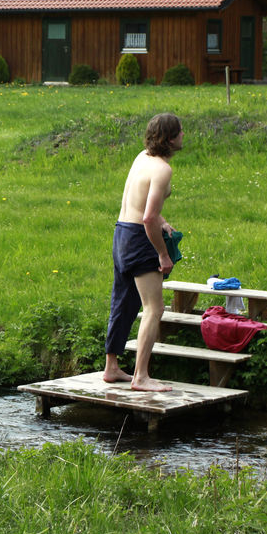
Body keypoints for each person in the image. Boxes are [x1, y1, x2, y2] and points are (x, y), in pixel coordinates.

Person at [103, 113, 183, 392]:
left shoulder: (141, 157)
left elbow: (141, 207)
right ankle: (141, 377)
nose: (183, 137)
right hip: (139, 239)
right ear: (171, 138)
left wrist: (161, 220)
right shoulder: (163, 169)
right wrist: (163, 254)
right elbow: (148, 217)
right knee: (154, 308)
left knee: (122, 301)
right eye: (180, 133)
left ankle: (111, 367)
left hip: (122, 232)